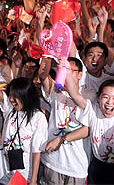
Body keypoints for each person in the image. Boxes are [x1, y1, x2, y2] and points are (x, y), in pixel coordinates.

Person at [39, 57, 94, 185]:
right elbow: (43, 76)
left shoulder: (90, 96)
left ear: (80, 74)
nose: (64, 73)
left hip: (76, 166)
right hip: (53, 161)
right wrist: (47, 55)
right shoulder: (56, 92)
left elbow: (89, 128)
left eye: (69, 70)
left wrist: (62, 139)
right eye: (61, 70)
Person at [0, 77, 48, 184]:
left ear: (26, 96)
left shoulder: (38, 117)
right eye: (10, 95)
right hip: (5, 175)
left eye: (15, 96)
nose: (11, 99)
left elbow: (36, 151)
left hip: (24, 176)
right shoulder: (10, 111)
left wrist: (33, 180)